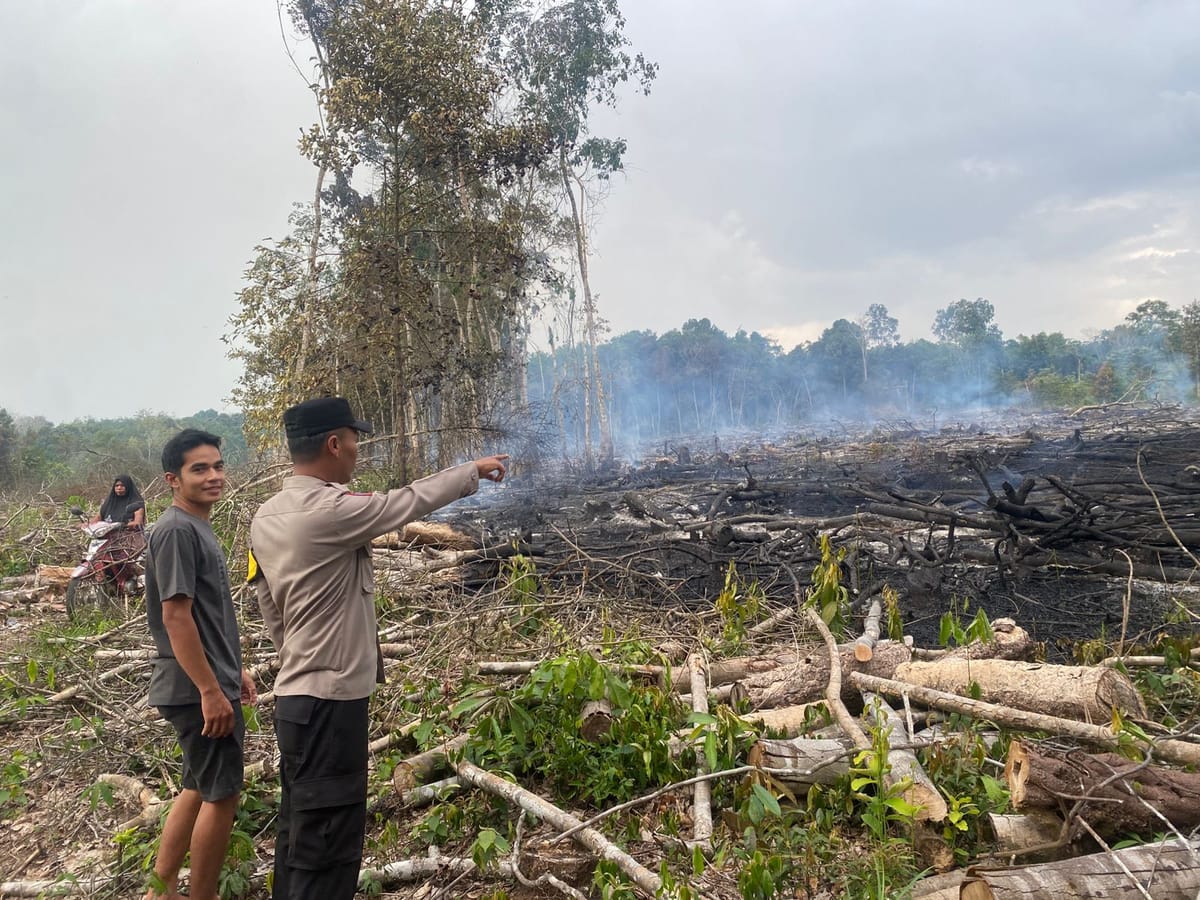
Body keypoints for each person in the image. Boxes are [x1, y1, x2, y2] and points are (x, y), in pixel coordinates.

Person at [250, 397, 508, 900]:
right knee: (329, 847)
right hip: (329, 707)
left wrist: (296, 659)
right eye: (353, 440)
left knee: (299, 835)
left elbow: (268, 604)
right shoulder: (330, 509)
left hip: (296, 700)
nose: (357, 450)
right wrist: (470, 471)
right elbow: (402, 503)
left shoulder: (266, 515)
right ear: (333, 444)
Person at [143, 429, 257, 900]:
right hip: (195, 691)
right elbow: (176, 616)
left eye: (218, 466)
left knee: (196, 786)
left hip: (205, 681)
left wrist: (234, 669)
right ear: (173, 479)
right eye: (200, 469)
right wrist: (211, 690)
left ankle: (161, 890)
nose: (214, 476)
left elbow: (208, 616)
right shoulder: (176, 531)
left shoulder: (194, 525)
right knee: (221, 795)